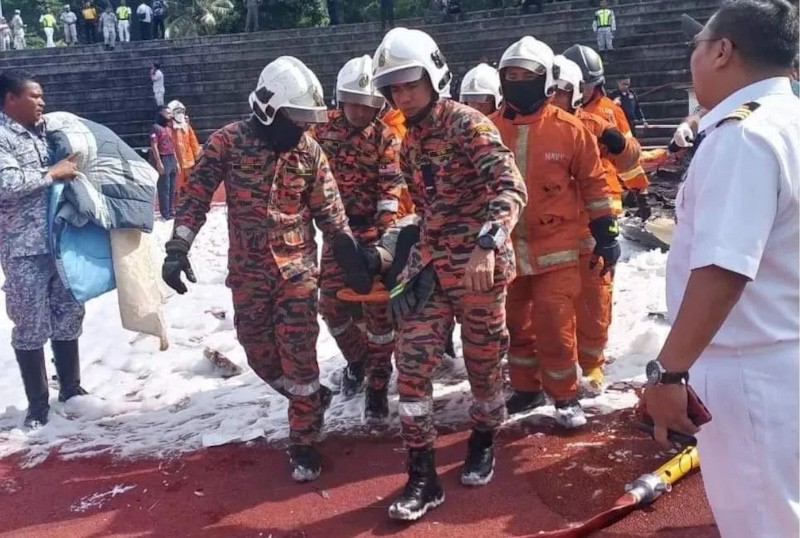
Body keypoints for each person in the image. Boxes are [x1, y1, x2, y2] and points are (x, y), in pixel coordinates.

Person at [642, 3, 799, 537]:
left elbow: (722, 271)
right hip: (785, 351)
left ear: (723, 51)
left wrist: (668, 372)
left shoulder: (743, 136)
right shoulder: (789, 121)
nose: (694, 57)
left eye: (698, 45)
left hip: (749, 369)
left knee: (760, 522)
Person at [164, 56, 352, 482]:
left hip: (298, 272)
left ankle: (304, 439)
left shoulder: (310, 152)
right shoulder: (227, 142)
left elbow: (332, 216)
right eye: (296, 118)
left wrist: (350, 259)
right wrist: (178, 246)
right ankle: (311, 400)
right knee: (259, 353)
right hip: (249, 274)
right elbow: (195, 197)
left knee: (299, 356)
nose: (303, 128)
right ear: (269, 110)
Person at [371, 27, 527, 521]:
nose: (402, 95)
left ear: (434, 76)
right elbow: (427, 210)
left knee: (484, 368)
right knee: (411, 365)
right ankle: (422, 476)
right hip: (434, 271)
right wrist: (401, 257)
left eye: (409, 83)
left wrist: (488, 242)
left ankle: (483, 438)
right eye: (392, 88)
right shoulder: (409, 143)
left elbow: (509, 186)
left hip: (480, 271)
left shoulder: (470, 126)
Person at [489, 36, 616, 426]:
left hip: (557, 249)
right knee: (516, 325)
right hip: (507, 250)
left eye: (526, 76)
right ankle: (526, 388)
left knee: (555, 322)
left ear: (545, 81)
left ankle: (565, 397)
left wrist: (606, 232)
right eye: (511, 76)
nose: (518, 82)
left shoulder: (570, 130)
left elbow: (594, 183)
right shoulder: (487, 130)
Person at [543, 54, 643, 400]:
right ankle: (556, 365)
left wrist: (619, 146)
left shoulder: (598, 120)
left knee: (594, 296)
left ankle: (591, 362)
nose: (556, 97)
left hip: (593, 220)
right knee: (552, 301)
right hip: (552, 225)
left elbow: (631, 159)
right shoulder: (535, 125)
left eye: (563, 90)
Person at [313, 56, 404, 417]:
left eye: (368, 105)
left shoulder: (385, 137)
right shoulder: (320, 131)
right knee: (330, 306)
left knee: (379, 315)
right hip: (336, 234)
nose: (360, 111)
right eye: (353, 102)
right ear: (340, 99)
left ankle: (379, 387)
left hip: (372, 235)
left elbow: (391, 186)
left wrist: (382, 240)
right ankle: (358, 360)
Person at [0, 72, 87, 429]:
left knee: (68, 314)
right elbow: (6, 185)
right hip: (23, 249)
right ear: (10, 99)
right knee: (31, 324)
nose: (42, 102)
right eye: (34, 96)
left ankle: (73, 390)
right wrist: (52, 172)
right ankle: (38, 406)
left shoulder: (43, 131)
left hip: (58, 243)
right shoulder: (2, 137)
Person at [166, 100, 201, 203]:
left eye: (181, 111)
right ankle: (178, 205)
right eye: (177, 112)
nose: (180, 114)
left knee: (191, 183)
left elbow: (193, 142)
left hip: (189, 161)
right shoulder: (169, 129)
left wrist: (198, 157)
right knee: (178, 185)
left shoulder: (187, 127)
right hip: (176, 163)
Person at [149, 107, 178, 220]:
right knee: (164, 186)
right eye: (168, 113)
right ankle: (165, 212)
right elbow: (154, 145)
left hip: (171, 157)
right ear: (161, 114)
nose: (170, 115)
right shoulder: (155, 128)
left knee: (172, 186)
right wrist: (159, 162)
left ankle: (171, 209)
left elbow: (172, 145)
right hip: (163, 157)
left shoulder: (169, 128)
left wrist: (176, 161)